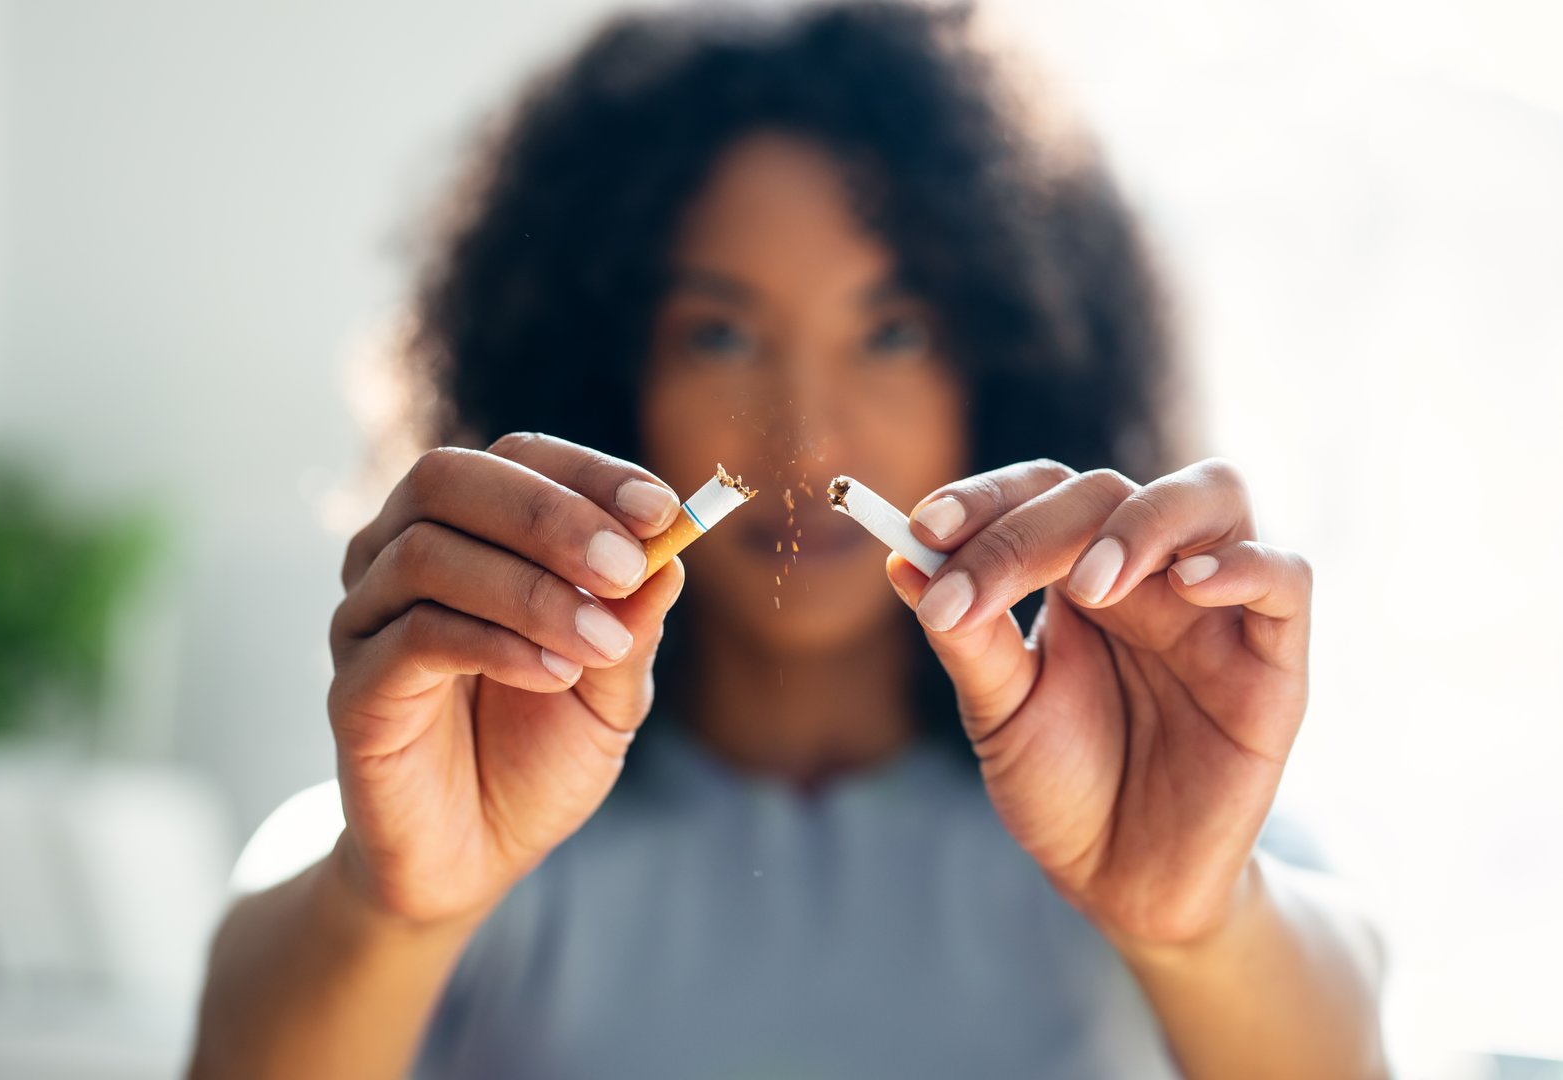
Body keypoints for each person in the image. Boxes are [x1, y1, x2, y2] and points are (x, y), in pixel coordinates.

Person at [191, 3, 1386, 1077]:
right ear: (611, 376)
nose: (807, 441)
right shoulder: (436, 816)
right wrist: (395, 912)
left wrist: (1198, 922)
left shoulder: (1156, 792)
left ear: (1005, 368)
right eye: (718, 336)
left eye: (894, 332)